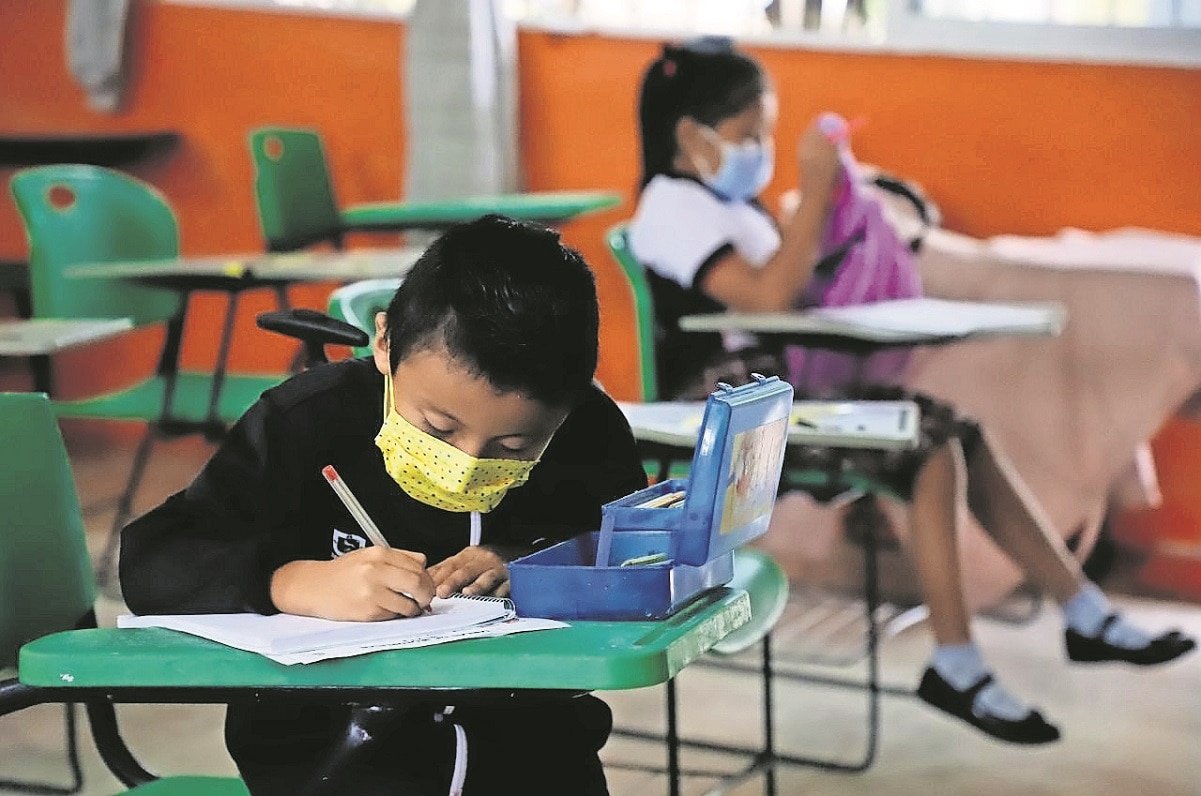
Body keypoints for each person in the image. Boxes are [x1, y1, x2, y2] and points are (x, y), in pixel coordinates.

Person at [627, 37, 1195, 746]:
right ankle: (958, 662)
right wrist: (813, 190)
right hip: (725, 410)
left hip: (774, 393)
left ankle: (1082, 613)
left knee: (955, 429)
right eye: (750, 136)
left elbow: (793, 296)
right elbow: (769, 297)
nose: (762, 151)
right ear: (691, 136)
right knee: (926, 446)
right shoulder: (671, 207)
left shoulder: (729, 207)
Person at [119, 215, 648, 795]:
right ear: (385, 342)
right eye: (438, 426)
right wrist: (292, 583)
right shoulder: (307, 421)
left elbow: (640, 558)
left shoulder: (589, 433)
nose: (467, 462)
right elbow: (156, 561)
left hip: (536, 760)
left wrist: (537, 562)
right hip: (331, 766)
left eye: (515, 445)